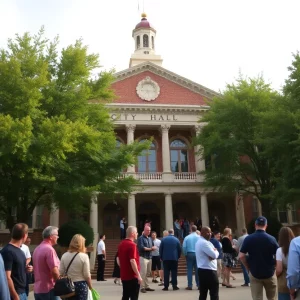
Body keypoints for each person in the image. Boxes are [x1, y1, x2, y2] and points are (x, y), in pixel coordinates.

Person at [240, 216, 279, 300]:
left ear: (255, 225)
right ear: (266, 225)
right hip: (269, 272)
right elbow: (278, 255)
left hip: (254, 272)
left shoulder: (248, 239)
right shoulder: (271, 239)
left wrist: (247, 267)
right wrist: (275, 265)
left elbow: (241, 255)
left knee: (257, 298)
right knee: (272, 298)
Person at [1, 223, 33, 300]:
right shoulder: (8, 251)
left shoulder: (21, 251)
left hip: (23, 292)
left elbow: (17, 269)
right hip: (15, 294)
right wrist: (15, 296)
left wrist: (27, 269)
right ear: (24, 236)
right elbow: (7, 277)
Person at [60, 234, 93, 300]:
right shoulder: (84, 256)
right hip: (81, 285)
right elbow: (86, 275)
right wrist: (90, 286)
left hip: (68, 286)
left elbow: (61, 272)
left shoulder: (64, 255)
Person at [32, 226, 60, 300]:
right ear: (51, 237)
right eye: (56, 235)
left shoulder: (37, 248)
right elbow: (54, 271)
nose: (58, 237)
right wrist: (60, 284)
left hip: (38, 289)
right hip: (49, 289)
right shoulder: (49, 250)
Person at [117, 226, 142, 300]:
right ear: (132, 234)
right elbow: (132, 261)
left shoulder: (121, 244)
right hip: (132, 276)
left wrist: (123, 267)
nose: (137, 234)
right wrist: (138, 275)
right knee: (134, 297)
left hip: (124, 275)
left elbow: (117, 258)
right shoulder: (132, 245)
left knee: (125, 296)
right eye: (136, 232)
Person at [195, 226, 219, 300]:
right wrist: (215, 251)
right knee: (214, 294)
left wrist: (214, 252)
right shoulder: (204, 243)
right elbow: (215, 255)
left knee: (203, 294)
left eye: (210, 232)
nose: (210, 234)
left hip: (203, 270)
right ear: (202, 233)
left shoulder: (203, 242)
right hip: (209, 271)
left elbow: (214, 254)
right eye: (208, 232)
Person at [276, 227, 294, 300]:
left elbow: (279, 269)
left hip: (285, 281)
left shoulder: (280, 250)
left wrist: (275, 275)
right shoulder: (296, 248)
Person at [137, 225, 155, 293]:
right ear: (144, 230)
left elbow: (152, 245)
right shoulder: (141, 238)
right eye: (147, 230)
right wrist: (151, 249)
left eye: (150, 230)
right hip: (143, 257)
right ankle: (142, 287)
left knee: (148, 273)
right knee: (143, 273)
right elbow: (141, 248)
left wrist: (153, 248)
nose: (149, 231)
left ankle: (147, 286)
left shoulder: (150, 238)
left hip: (149, 257)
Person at [182, 225, 200, 290]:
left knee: (189, 270)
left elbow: (184, 247)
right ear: (196, 229)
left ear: (190, 229)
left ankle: (190, 285)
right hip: (197, 254)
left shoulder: (187, 237)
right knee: (197, 270)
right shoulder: (199, 237)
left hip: (189, 253)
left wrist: (185, 254)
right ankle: (199, 285)